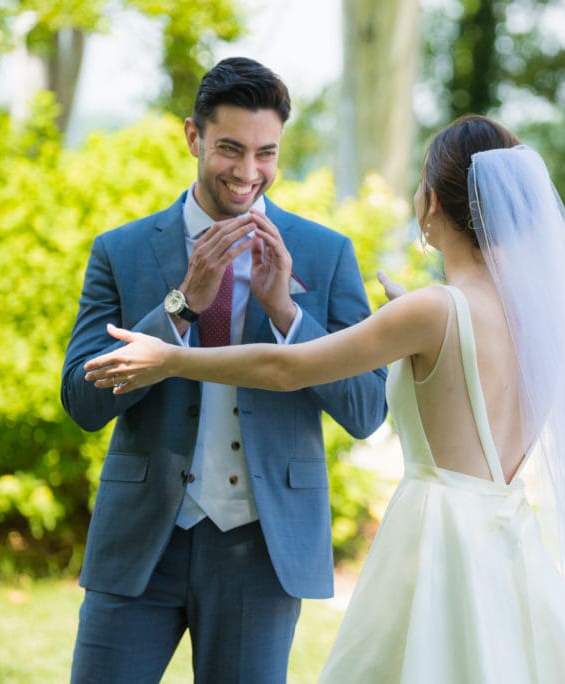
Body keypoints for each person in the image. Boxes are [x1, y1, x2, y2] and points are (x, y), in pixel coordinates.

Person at [83, 115, 565, 682]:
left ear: (433, 203)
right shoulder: (540, 321)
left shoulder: (431, 309)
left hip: (436, 539)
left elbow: (286, 366)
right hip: (506, 537)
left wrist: (171, 357)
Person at [60, 57, 387, 683]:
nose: (247, 172)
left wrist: (288, 313)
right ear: (193, 137)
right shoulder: (122, 251)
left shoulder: (325, 252)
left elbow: (368, 410)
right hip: (142, 541)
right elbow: (82, 400)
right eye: (230, 149)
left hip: (261, 549)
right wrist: (180, 306)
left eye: (266, 153)